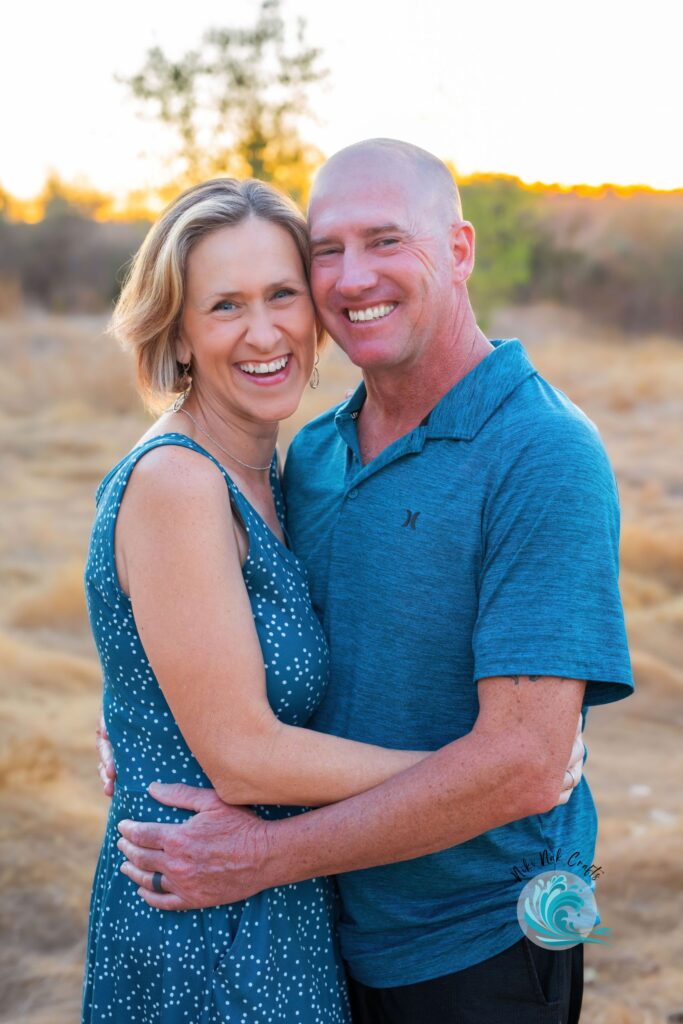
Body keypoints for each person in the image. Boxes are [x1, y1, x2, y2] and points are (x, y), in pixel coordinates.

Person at [101, 141, 623, 1023]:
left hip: (471, 944)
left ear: (458, 251)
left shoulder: (541, 453)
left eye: (386, 241)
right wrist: (147, 710)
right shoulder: (311, 455)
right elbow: (238, 641)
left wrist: (268, 856)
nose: (351, 278)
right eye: (327, 252)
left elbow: (525, 765)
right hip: (314, 930)